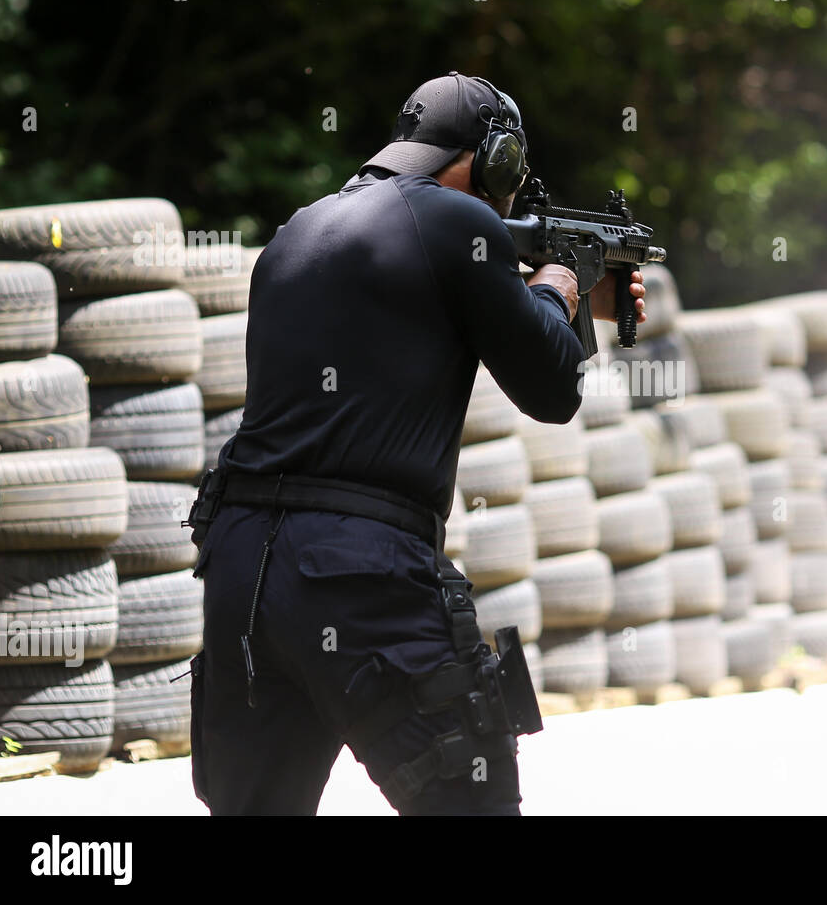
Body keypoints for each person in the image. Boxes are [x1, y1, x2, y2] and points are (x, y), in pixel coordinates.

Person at [186, 71, 647, 815]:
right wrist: (563, 286)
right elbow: (551, 389)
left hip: (240, 568)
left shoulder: (300, 228)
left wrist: (537, 286)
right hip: (357, 568)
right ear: (495, 158)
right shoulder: (456, 226)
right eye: (513, 174)